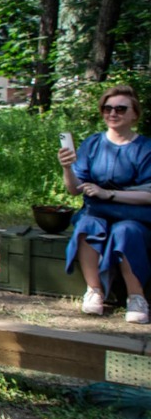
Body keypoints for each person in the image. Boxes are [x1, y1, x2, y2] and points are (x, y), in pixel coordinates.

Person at [58, 85, 151, 324]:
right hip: (96, 211)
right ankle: (94, 290)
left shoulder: (145, 148)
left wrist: (108, 194)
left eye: (121, 108)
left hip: (134, 215)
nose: (113, 113)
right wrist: (67, 168)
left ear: (134, 114)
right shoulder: (92, 144)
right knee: (88, 224)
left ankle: (136, 297)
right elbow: (74, 188)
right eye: (107, 108)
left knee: (125, 230)